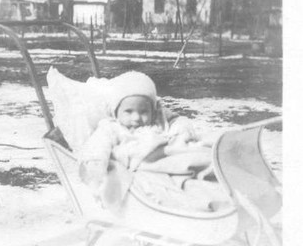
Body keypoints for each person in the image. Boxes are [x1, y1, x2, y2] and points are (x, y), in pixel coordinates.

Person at [79, 71, 229, 213]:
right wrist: (96, 165)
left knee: (199, 155)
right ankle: (200, 203)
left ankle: (221, 173)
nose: (137, 118)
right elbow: (97, 146)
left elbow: (177, 120)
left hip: (170, 157)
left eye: (143, 111)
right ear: (116, 111)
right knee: (176, 186)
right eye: (129, 111)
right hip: (147, 165)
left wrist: (181, 131)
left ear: (153, 110)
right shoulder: (112, 128)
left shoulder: (159, 119)